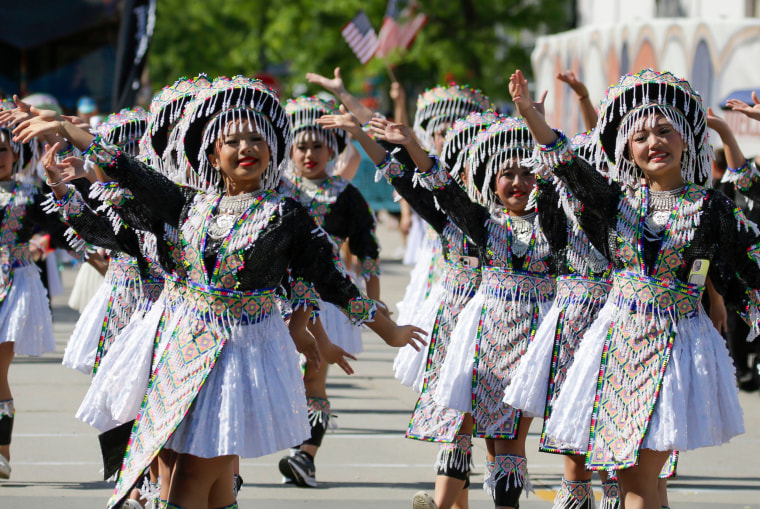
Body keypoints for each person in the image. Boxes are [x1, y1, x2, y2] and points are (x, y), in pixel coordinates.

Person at [13, 75, 426, 509]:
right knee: (203, 482)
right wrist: (65, 130)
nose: (247, 147)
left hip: (239, 354)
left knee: (194, 475)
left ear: (272, 150)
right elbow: (125, 170)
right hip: (182, 347)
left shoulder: (286, 214)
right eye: (233, 141)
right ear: (212, 153)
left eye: (257, 139)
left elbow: (333, 280)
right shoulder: (189, 204)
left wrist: (389, 331)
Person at [510, 68, 754, 509]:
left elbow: (747, 265)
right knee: (639, 483)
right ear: (626, 149)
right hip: (617, 345)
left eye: (665, 131)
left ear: (686, 140)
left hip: (675, 350)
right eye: (640, 137)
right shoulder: (617, 199)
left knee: (637, 484)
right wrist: (531, 116)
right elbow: (568, 164)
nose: (654, 142)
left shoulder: (711, 207)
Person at [276, 95, 379, 487]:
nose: (308, 154)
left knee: (313, 376)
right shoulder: (278, 190)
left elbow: (367, 246)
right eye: (300, 146)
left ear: (331, 149)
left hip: (328, 296)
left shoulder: (345, 194)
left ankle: (305, 455)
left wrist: (373, 296)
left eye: (317, 146)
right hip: (279, 298)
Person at [0, 99, 69, 480]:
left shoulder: (29, 194)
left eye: (2, 150)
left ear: (15, 152)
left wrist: (36, 246)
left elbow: (57, 230)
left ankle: (2, 452)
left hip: (16, 284)